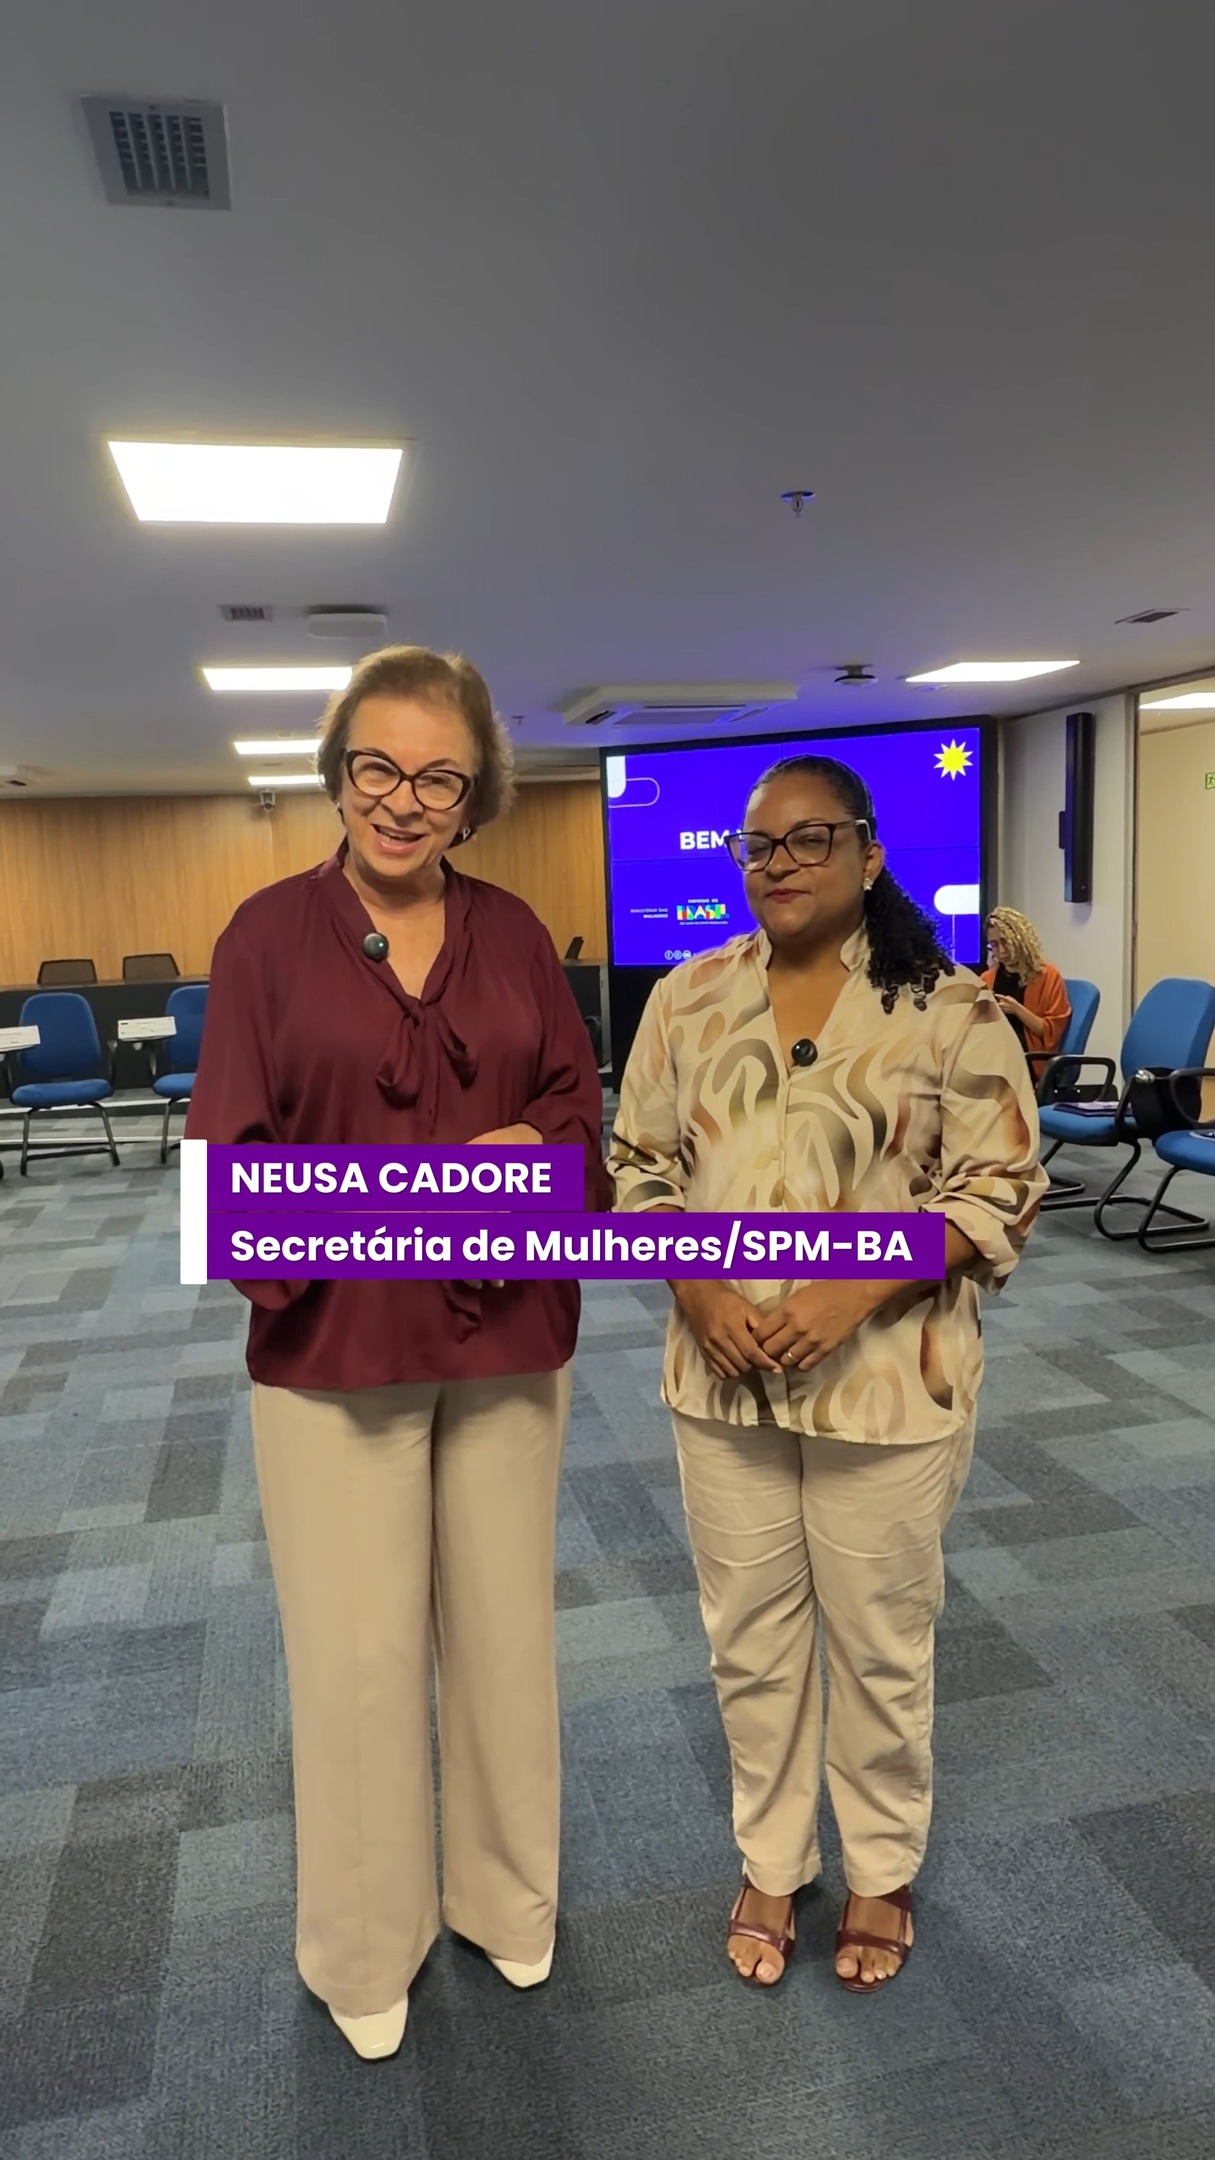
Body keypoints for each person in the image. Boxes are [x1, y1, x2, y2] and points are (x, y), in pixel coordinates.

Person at [186, 645, 607, 2060]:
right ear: (338, 772)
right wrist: (433, 1192)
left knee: (502, 1640)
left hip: (506, 1349)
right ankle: (364, 1948)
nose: (403, 800)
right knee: (358, 1660)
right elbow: (229, 1195)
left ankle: (506, 1900)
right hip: (333, 1358)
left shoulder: (512, 929)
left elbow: (576, 1136)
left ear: (472, 790)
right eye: (378, 767)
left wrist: (521, 1163)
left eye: (438, 776)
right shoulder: (262, 939)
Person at [609, 755, 1046, 1994]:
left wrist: (860, 1283)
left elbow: (1004, 1187)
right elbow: (638, 1167)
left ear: (868, 854)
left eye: (811, 841)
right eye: (760, 847)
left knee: (878, 1643)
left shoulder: (949, 1010)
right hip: (724, 1382)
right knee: (747, 1638)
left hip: (887, 1387)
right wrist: (693, 1285)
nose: (781, 865)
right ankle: (771, 1857)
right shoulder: (685, 1000)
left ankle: (881, 1871)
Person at [982, 907, 1071, 1083]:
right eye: (994, 945)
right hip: (992, 1051)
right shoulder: (987, 979)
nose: (1001, 951)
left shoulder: (1048, 976)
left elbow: (1050, 1034)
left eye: (1005, 942)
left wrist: (1016, 1009)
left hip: (1027, 1059)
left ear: (1020, 940)